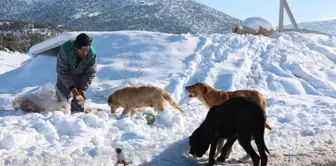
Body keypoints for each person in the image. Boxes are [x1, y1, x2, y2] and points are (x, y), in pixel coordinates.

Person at [55, 33, 97, 113]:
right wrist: (72, 88)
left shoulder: (92, 54)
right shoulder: (66, 50)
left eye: (87, 50)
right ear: (76, 47)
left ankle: (77, 114)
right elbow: (62, 71)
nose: (85, 52)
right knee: (61, 94)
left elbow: (90, 73)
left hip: (80, 73)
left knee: (79, 97)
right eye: (82, 50)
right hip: (66, 73)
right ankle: (59, 113)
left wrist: (83, 88)